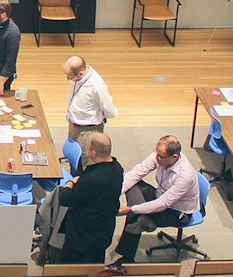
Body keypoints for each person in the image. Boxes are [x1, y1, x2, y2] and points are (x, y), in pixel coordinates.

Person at [114, 135, 201, 265]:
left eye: (160, 156)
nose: (156, 158)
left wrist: (131, 209)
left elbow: (163, 204)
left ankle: (126, 261)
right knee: (133, 184)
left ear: (174, 157)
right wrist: (114, 194)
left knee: (134, 217)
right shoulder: (160, 156)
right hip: (159, 195)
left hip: (175, 212)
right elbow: (137, 172)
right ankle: (144, 219)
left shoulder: (184, 176)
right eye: (156, 153)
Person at [57, 132, 124, 264]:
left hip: (83, 238)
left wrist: (69, 183)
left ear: (93, 153)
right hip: (104, 231)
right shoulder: (117, 169)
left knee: (70, 272)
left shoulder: (92, 179)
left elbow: (65, 199)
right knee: (94, 268)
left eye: (87, 147)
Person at [62, 55, 118, 141]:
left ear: (80, 74)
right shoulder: (78, 76)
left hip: (88, 130)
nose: (67, 79)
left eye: (70, 76)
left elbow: (110, 111)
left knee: (85, 154)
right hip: (73, 123)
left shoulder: (97, 87)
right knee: (72, 152)